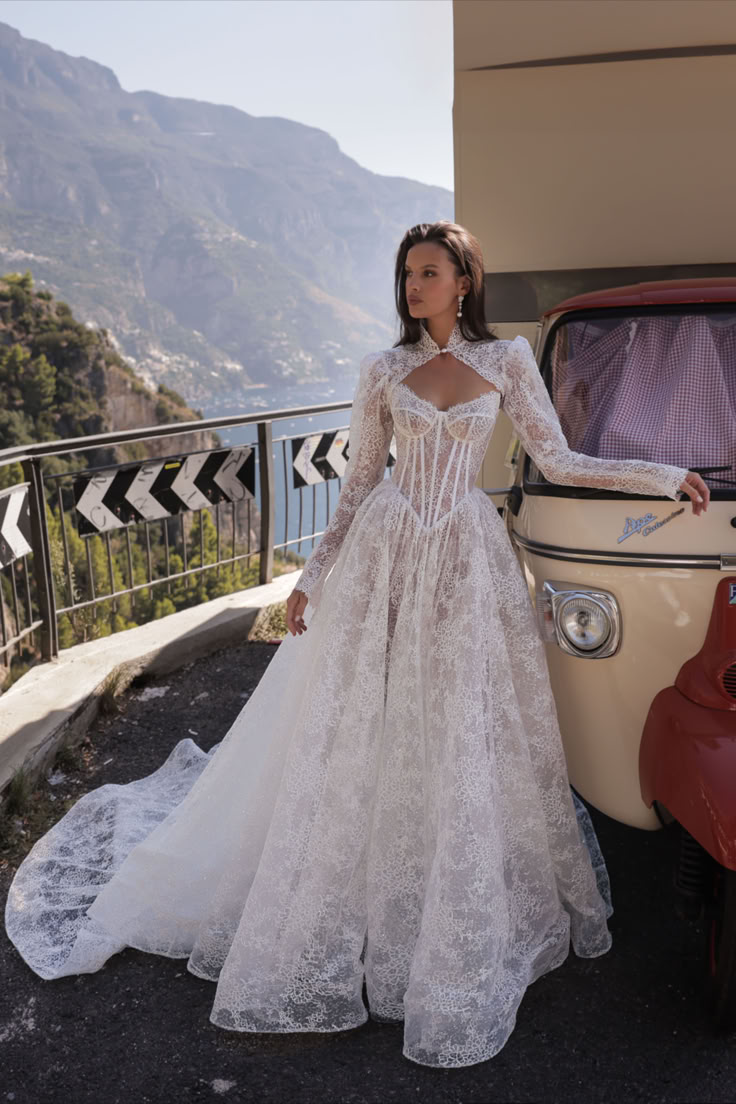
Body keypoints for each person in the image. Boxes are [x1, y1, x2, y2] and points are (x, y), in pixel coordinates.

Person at [4, 221, 709, 1070]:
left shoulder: (509, 361)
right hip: (386, 555)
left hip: (464, 562)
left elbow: (557, 457)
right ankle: (365, 888)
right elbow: (357, 486)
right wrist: (309, 581)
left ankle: (448, 901)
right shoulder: (383, 369)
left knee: (460, 716)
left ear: (463, 281)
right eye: (407, 273)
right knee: (369, 713)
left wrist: (660, 476)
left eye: (430, 272)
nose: (414, 286)